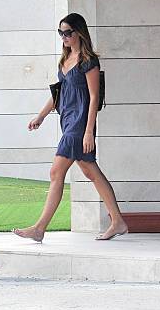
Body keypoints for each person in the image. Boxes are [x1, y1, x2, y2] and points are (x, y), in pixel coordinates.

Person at [12, 13, 128, 242]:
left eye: (68, 33)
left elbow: (94, 98)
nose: (64, 37)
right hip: (68, 121)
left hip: (80, 124)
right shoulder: (64, 60)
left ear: (79, 32)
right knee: (90, 170)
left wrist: (88, 131)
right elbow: (58, 95)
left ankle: (39, 228)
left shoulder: (88, 61)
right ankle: (118, 221)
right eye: (60, 33)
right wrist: (40, 117)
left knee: (57, 171)